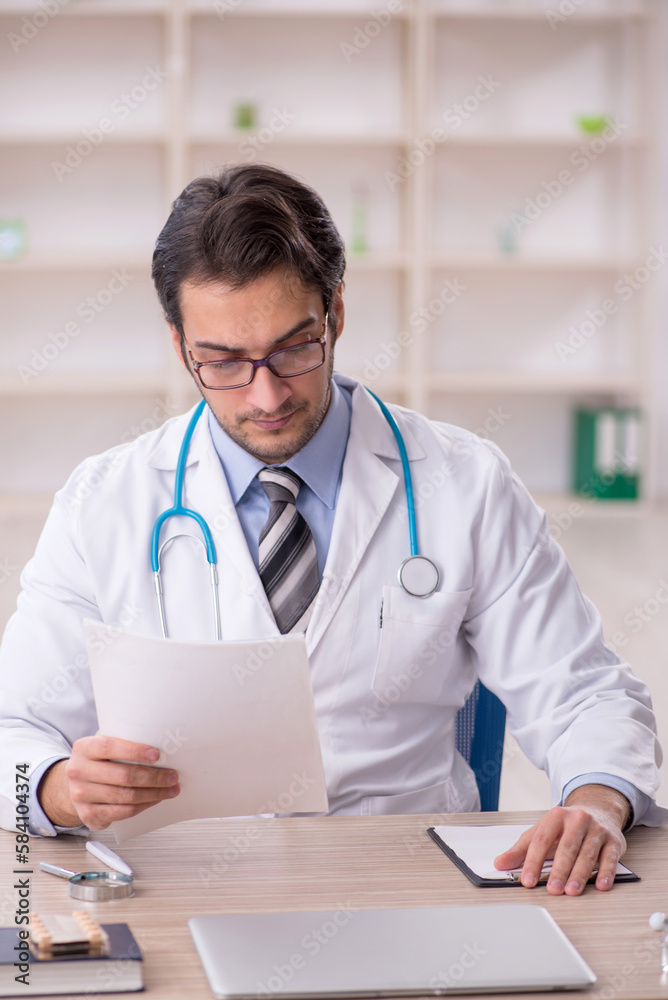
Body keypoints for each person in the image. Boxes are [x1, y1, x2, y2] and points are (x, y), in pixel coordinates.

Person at [0, 164, 665, 897]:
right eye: (222, 362)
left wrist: (597, 802)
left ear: (336, 314)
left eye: (294, 349)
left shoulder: (464, 482)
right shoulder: (105, 501)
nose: (266, 394)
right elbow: (13, 729)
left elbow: (583, 694)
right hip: (184, 890)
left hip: (409, 885)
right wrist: (60, 789)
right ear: (179, 344)